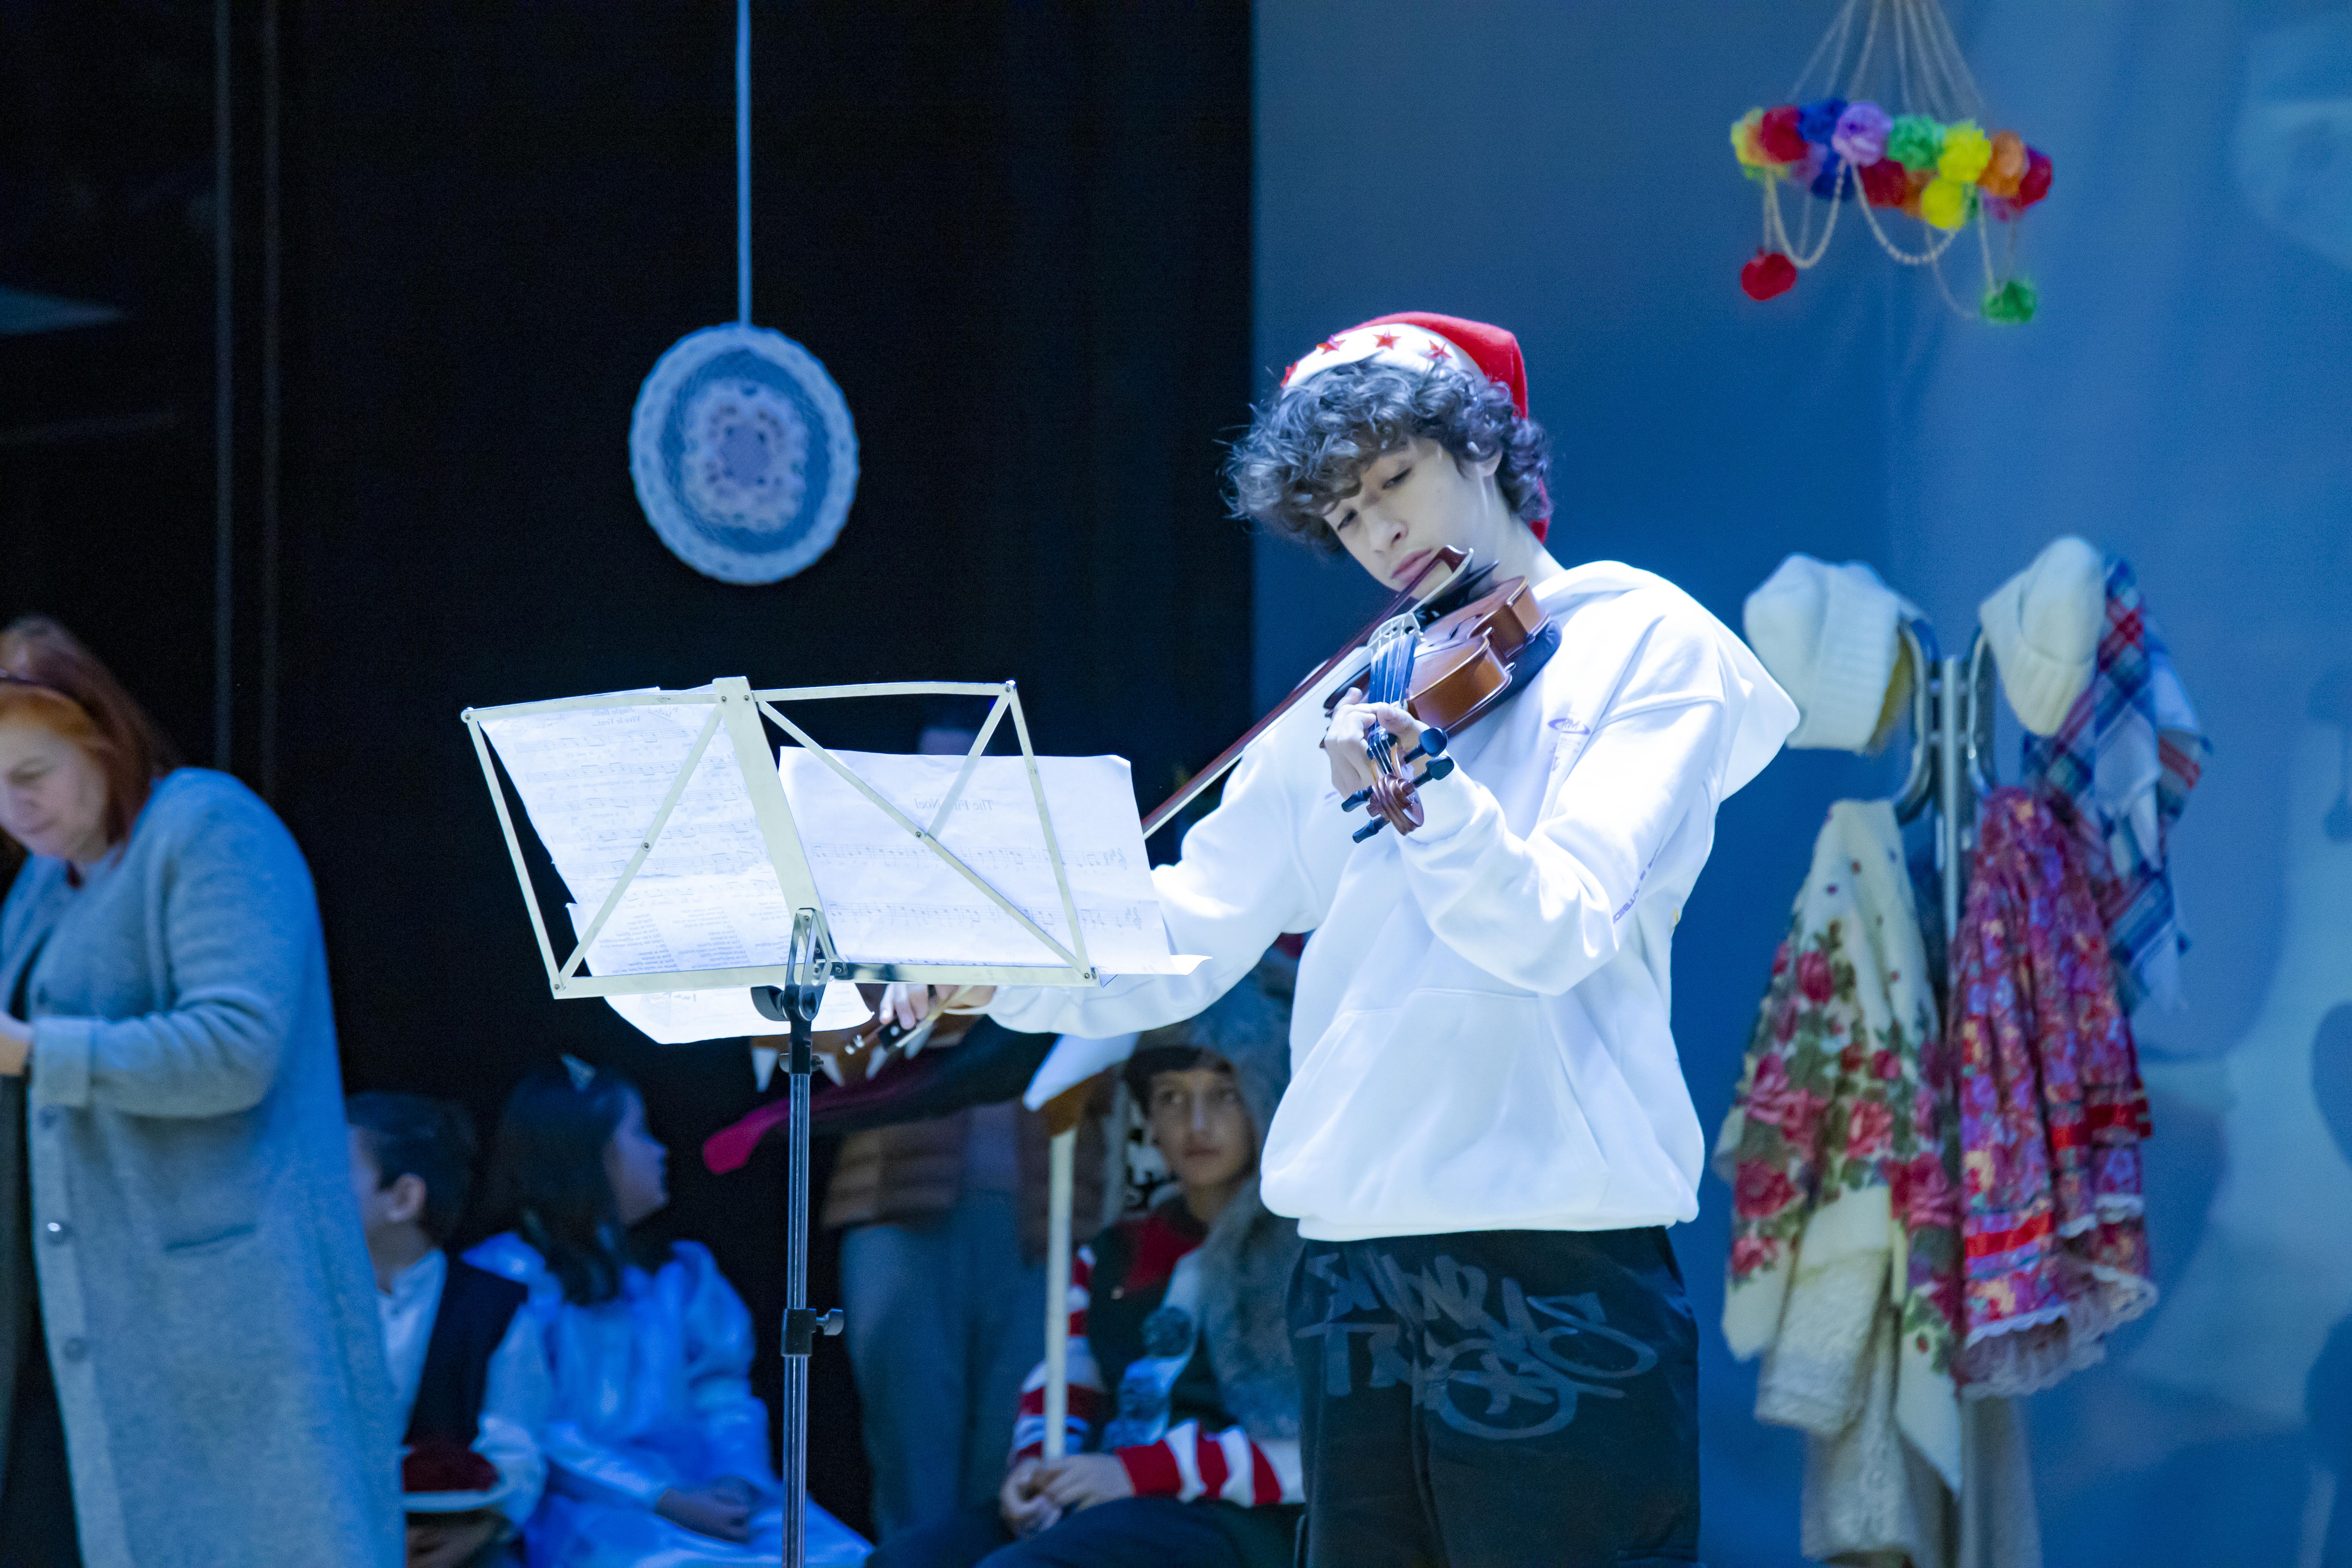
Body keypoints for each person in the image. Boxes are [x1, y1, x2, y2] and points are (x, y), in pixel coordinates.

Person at [887, 314, 1799, 1564]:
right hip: (1351, 1272)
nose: (1380, 534)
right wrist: (1007, 959)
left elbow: (1557, 925)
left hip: (1551, 1258)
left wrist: (1425, 796)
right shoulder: (1361, 692)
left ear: (1485, 447)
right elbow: (1189, 926)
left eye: (1396, 480)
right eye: (1347, 513)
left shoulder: (1644, 641)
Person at [0, 616, 404, 1566]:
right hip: (82, 1325)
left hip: (219, 1330)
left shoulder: (208, 826)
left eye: (31, 775)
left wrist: (35, 1051)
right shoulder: (42, 887)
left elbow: (235, 1048)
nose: (14, 809)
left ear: (104, 738)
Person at [870, 954, 1305, 1568]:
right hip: (1103, 1500)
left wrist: (1138, 1473)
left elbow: (1305, 1452)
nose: (1197, 1124)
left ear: (1262, 1096)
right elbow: (1064, 1384)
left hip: (1228, 1522)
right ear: (1148, 1117)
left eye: (1225, 1096)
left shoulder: (1303, 1259)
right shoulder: (1112, 1253)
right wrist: (1036, 1469)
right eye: (1172, 1097)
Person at [825, 697, 1109, 1542]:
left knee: (1013, 1470)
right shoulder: (861, 893)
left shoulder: (1064, 888)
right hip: (901, 1211)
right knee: (911, 1468)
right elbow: (813, 1049)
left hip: (1045, 1221)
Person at [466, 1061, 869, 1567]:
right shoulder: (511, 1277)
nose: (661, 1152)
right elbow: (532, 1426)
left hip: (704, 1494)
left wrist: (736, 1478)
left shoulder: (682, 1274)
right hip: (597, 1506)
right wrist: (662, 1497)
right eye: (640, 1134)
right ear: (585, 1152)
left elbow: (722, 1392)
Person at [347, 1092, 552, 1567]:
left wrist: (482, 1525)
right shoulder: (309, 1304)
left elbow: (515, 1443)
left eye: (335, 1173)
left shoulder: (492, 1307)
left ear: (403, 1198)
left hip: (449, 1536)